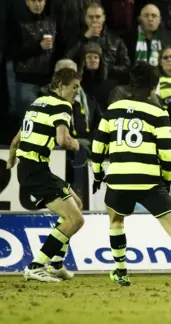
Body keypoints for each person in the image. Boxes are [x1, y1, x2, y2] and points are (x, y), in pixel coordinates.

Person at [90, 62, 171, 287]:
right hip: (148, 178)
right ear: (155, 87)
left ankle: (121, 272)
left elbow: (98, 145)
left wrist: (98, 173)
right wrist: (166, 179)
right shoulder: (158, 112)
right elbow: (168, 152)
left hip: (118, 178)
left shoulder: (113, 109)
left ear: (131, 84)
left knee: (116, 221)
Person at [6, 68, 84, 283]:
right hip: (36, 172)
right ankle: (35, 265)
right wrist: (78, 145)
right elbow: (63, 140)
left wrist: (11, 160)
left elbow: (16, 139)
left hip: (33, 169)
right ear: (60, 85)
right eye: (74, 86)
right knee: (75, 219)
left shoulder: (37, 103)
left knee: (77, 204)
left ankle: (56, 264)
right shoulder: (62, 106)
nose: (77, 91)